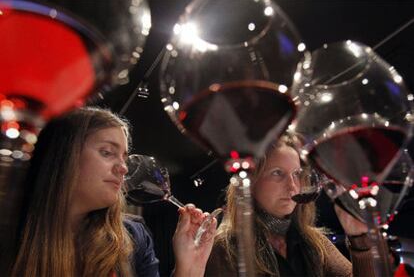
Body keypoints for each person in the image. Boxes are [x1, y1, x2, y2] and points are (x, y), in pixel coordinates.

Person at [10, 107, 215, 277]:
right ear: (63, 156)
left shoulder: (134, 237)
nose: (124, 168)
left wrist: (189, 268)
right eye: (107, 152)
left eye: (124, 157)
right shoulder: (13, 231)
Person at [205, 133, 375, 276]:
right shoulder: (224, 248)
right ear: (250, 181)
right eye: (277, 173)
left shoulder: (315, 242)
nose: (292, 186)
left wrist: (359, 239)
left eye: (296, 174)